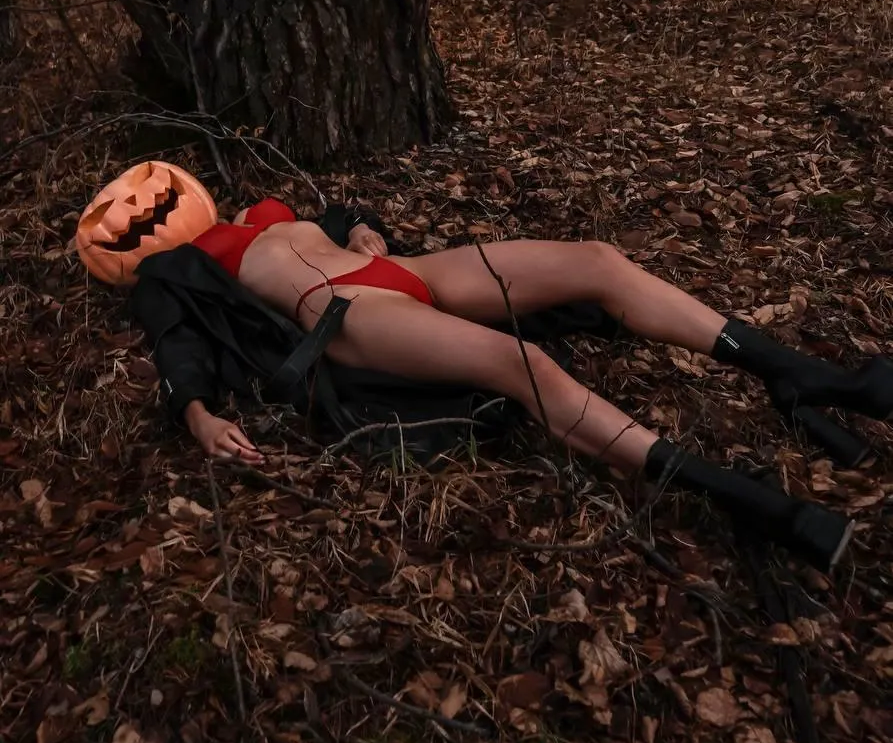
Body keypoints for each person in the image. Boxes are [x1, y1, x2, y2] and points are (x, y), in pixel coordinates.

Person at [103, 183, 893, 575]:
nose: (138, 205)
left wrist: (359, 226)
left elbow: (343, 218)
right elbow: (177, 336)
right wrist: (196, 412)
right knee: (521, 365)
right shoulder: (173, 265)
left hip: (400, 270)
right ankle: (735, 495)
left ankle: (793, 376)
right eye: (121, 206)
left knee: (597, 262)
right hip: (341, 312)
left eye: (146, 190)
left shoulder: (268, 208)